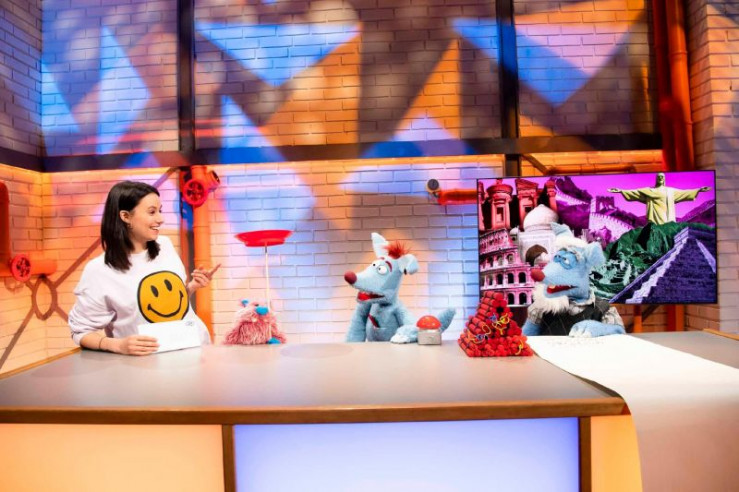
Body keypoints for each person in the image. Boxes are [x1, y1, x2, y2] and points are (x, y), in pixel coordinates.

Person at [68, 181, 220, 356]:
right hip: (146, 365)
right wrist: (118, 345)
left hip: (196, 351)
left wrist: (191, 287)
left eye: (160, 211)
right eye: (152, 212)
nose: (161, 219)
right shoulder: (98, 270)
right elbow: (81, 331)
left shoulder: (164, 246)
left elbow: (166, 305)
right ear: (125, 216)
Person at [608, 172, 710, 225]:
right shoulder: (649, 190)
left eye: (662, 177)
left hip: (668, 219)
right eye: (659, 177)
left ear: (664, 179)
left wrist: (699, 190)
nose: (661, 178)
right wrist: (621, 191)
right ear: (656, 179)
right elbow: (635, 192)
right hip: (654, 219)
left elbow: (684, 193)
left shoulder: (670, 191)